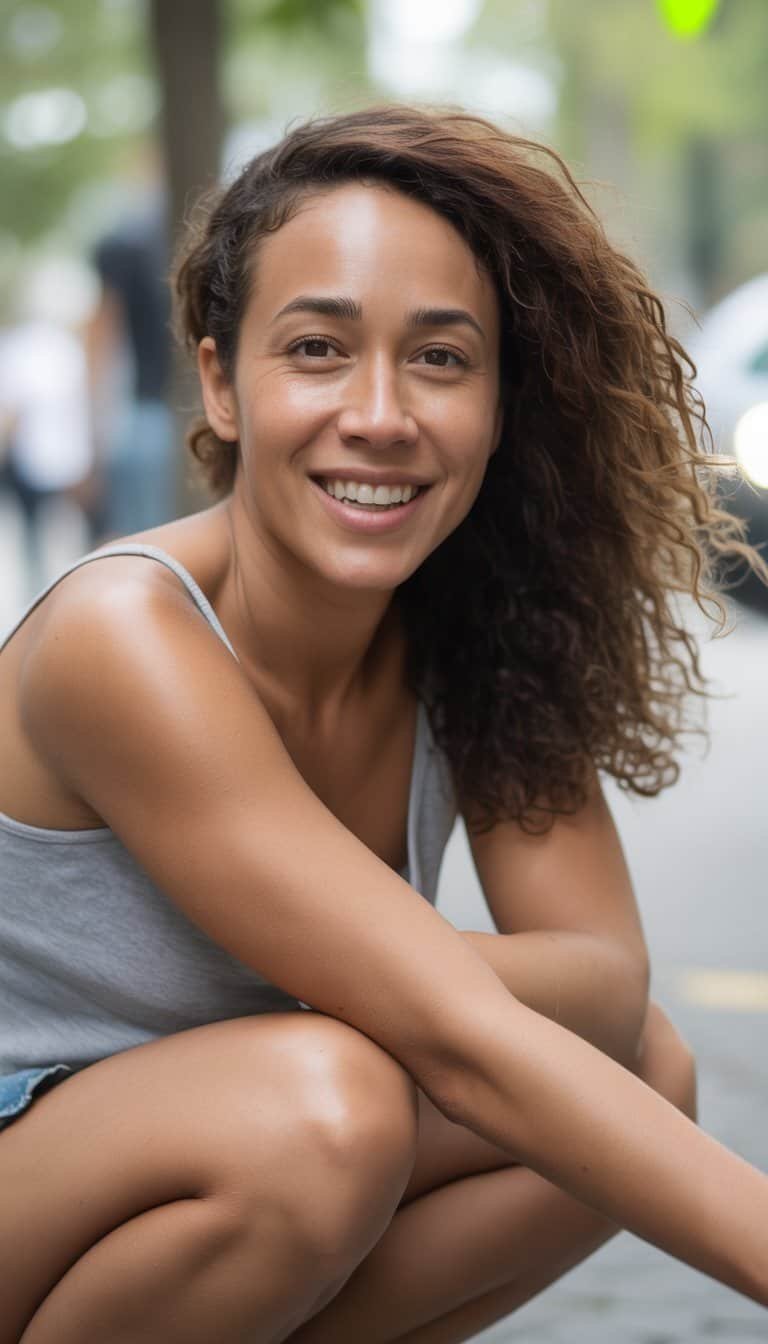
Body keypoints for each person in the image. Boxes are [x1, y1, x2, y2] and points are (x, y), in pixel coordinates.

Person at [0, 104, 766, 1344]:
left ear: (502, 406)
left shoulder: (473, 636)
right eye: (316, 348)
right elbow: (470, 1040)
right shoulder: (123, 636)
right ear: (220, 380)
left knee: (646, 1075)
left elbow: (605, 984)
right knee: (328, 1107)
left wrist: (348, 989)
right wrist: (369, 1003)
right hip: (32, 1154)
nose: (381, 414)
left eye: (443, 359)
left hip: (204, 1170)